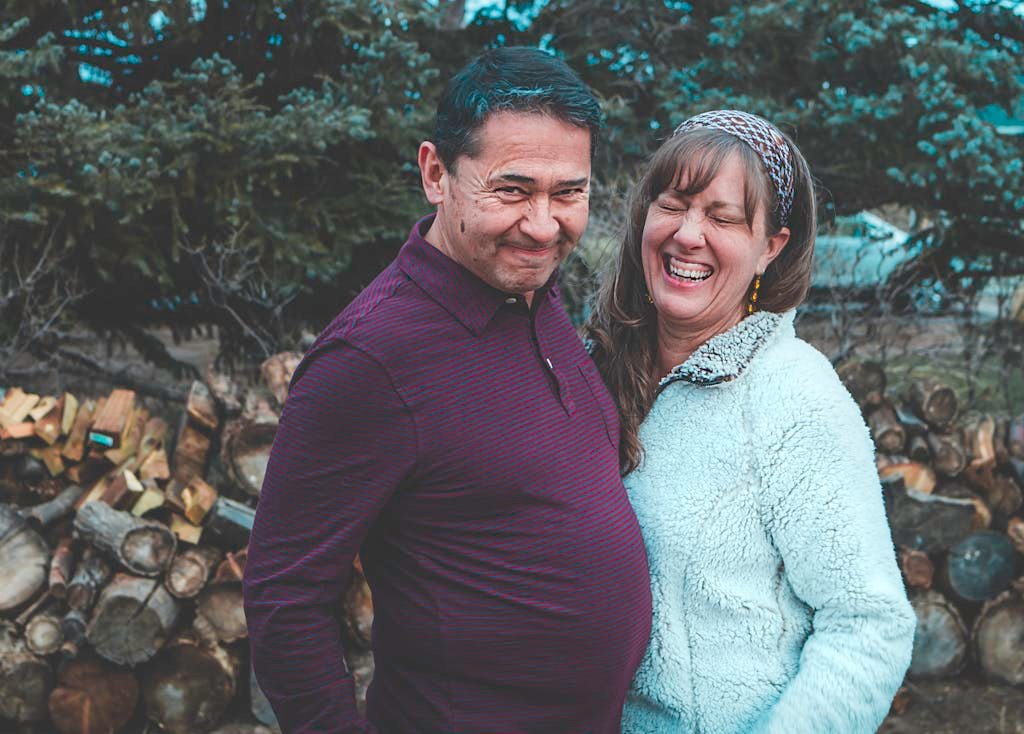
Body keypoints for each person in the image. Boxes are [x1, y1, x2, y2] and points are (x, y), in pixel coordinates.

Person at [243, 46, 653, 734]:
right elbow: (286, 597)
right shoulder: (370, 360)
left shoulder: (531, 294)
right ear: (436, 174)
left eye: (569, 193)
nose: (545, 225)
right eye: (513, 190)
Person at [586, 110, 916, 733]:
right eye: (674, 203)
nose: (688, 234)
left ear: (771, 247)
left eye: (723, 217)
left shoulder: (792, 396)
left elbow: (870, 623)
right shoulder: (592, 372)